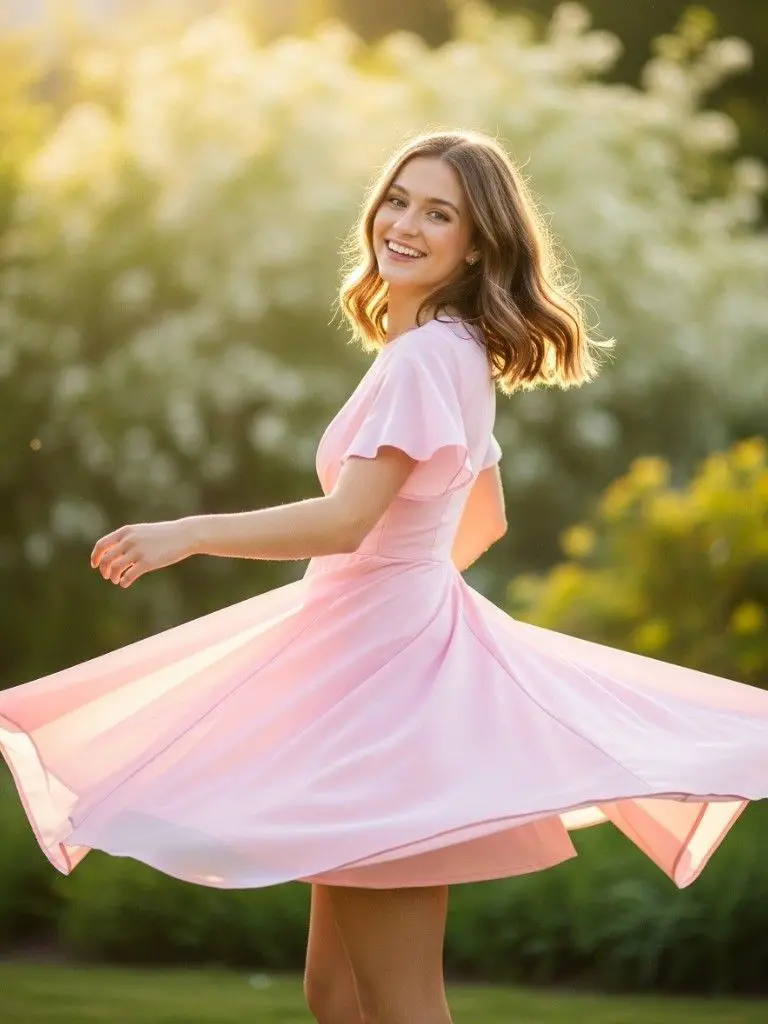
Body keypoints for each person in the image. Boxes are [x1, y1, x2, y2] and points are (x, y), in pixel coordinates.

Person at [1, 129, 767, 1024]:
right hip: (373, 667)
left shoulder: (426, 359)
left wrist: (191, 533)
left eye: (439, 213)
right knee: (336, 992)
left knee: (400, 1002)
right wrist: (405, 591)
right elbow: (484, 518)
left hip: (384, 693)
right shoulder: (451, 349)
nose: (404, 223)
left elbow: (347, 520)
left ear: (477, 243)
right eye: (398, 199)